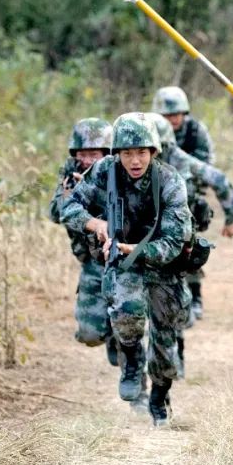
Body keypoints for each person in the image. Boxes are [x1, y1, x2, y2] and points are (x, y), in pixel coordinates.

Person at [60, 113, 192, 426]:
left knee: (165, 343)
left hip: (163, 264)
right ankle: (131, 359)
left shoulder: (170, 181)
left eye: (142, 152)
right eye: (127, 153)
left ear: (154, 152)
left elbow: (174, 242)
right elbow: (69, 207)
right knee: (125, 313)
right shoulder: (104, 171)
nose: (135, 160)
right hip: (122, 260)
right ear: (117, 152)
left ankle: (160, 395)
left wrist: (136, 249)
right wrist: (96, 224)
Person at [146, 114, 233, 324]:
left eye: (156, 149)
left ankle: (192, 298)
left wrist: (231, 218)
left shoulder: (180, 159)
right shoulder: (124, 165)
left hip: (178, 226)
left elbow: (219, 180)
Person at [48, 117, 115, 363]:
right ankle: (113, 334)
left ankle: (129, 358)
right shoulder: (71, 173)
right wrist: (73, 194)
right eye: (82, 154)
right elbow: (56, 214)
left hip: (124, 257)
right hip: (92, 260)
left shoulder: (120, 171)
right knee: (89, 335)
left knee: (129, 326)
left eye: (94, 154)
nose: (87, 160)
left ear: (106, 153)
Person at [152, 85, 215, 163]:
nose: (173, 119)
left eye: (176, 114)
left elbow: (205, 162)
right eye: (168, 115)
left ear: (183, 113)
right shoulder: (151, 130)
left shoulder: (195, 131)